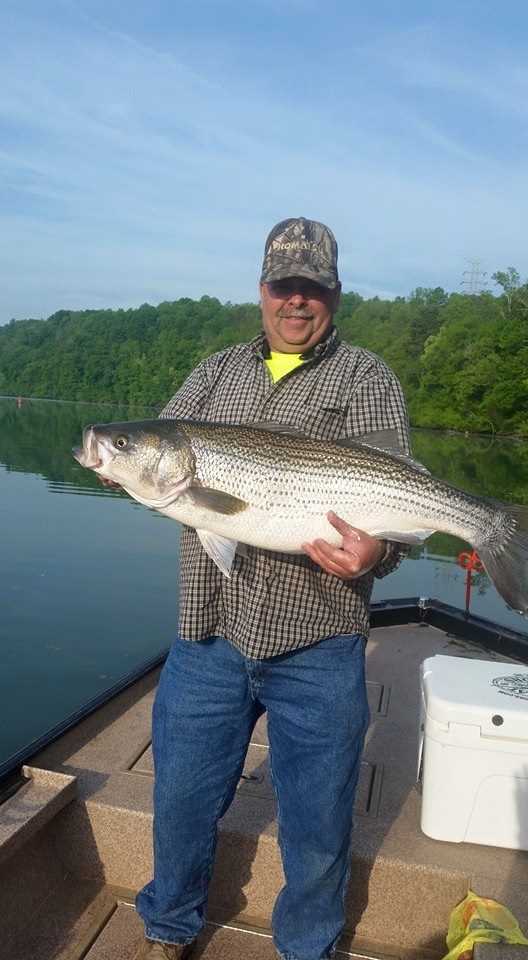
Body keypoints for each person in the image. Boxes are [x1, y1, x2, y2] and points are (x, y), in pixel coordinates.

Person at [133, 218, 411, 960]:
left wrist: (375, 555)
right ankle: (167, 928)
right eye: (283, 285)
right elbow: (162, 462)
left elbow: (390, 523)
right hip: (209, 631)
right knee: (181, 803)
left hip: (319, 642)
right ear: (260, 290)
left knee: (317, 826)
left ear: (334, 295)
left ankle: (307, 949)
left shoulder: (367, 378)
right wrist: (124, 459)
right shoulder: (213, 373)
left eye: (312, 287)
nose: (297, 301)